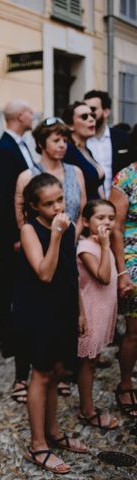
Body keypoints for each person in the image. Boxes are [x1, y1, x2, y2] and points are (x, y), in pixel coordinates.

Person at [14, 173, 87, 475]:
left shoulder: (67, 227)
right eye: (49, 203)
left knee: (57, 372)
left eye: (60, 200)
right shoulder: (30, 230)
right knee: (41, 375)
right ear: (34, 206)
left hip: (64, 308)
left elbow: (71, 273)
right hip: (39, 311)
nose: (58, 207)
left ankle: (54, 432)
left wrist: (80, 311)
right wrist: (56, 236)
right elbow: (45, 272)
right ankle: (38, 444)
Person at [0, 100, 34, 366]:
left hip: (20, 227)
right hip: (9, 230)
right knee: (6, 285)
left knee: (17, 283)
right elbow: (5, 196)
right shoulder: (4, 149)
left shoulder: (21, 145)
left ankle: (17, 332)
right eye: (30, 112)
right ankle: (5, 338)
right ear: (20, 115)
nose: (33, 115)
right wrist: (17, 235)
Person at [75, 199, 119, 429]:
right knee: (87, 363)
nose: (107, 222)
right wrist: (104, 246)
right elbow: (102, 277)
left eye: (111, 218)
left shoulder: (102, 242)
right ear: (85, 221)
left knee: (90, 360)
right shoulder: (86, 248)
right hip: (90, 311)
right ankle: (87, 410)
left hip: (101, 310)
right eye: (100, 218)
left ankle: (86, 405)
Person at [109, 164, 137, 418]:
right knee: (133, 332)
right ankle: (125, 384)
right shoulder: (127, 177)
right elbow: (114, 227)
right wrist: (122, 271)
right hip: (133, 260)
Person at [84, 90, 132, 197]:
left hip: (121, 202)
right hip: (92, 206)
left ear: (106, 112)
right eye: (86, 111)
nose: (89, 115)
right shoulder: (81, 142)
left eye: (93, 109)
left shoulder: (123, 138)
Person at [62, 101, 104, 200]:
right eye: (84, 116)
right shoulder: (67, 151)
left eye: (92, 115)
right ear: (70, 126)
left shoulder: (86, 150)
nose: (91, 119)